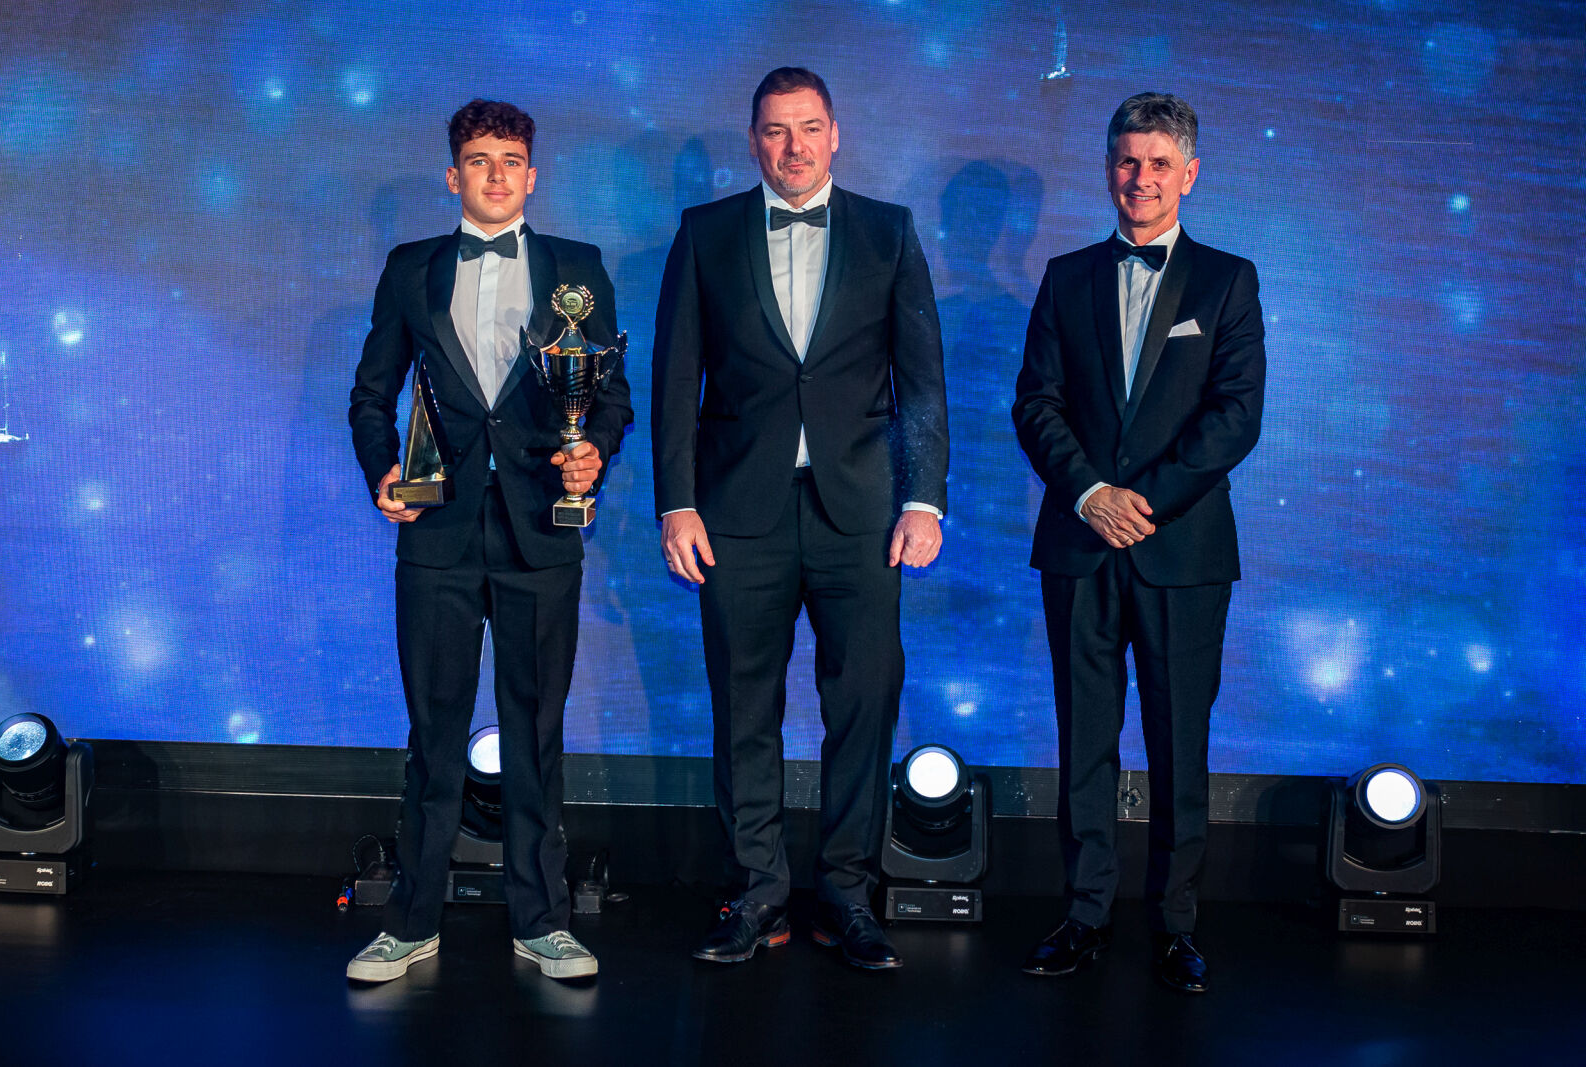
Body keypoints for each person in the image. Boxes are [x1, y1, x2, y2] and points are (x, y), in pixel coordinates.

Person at [651, 67, 948, 970]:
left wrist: (923, 498)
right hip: (736, 514)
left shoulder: (888, 231)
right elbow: (675, 380)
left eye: (809, 127)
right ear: (753, 140)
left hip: (861, 515)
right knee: (745, 707)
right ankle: (757, 892)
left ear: (835, 133)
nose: (793, 146)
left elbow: (921, 380)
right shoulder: (705, 233)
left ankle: (848, 893)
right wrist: (676, 501)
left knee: (862, 705)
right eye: (776, 130)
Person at [346, 99, 632, 983]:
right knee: (432, 732)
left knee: (535, 730)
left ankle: (541, 920)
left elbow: (611, 397)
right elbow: (370, 394)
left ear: (533, 175)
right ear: (453, 176)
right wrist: (381, 473)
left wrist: (595, 452)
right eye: (479, 160)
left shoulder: (577, 267)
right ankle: (410, 922)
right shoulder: (412, 269)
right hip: (437, 531)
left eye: (511, 160)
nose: (496, 175)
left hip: (541, 529)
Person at [1011, 92, 1265, 993]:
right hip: (1080, 543)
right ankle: (1084, 914)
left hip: (1181, 550)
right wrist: (1090, 495)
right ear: (1108, 168)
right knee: (1084, 739)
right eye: (1128, 160)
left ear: (1189, 174)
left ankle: (1175, 923)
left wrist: (1138, 503)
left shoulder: (1228, 280)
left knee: (1178, 741)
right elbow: (1035, 403)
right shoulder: (1066, 276)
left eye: (1159, 163)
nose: (1141, 178)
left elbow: (1236, 416)